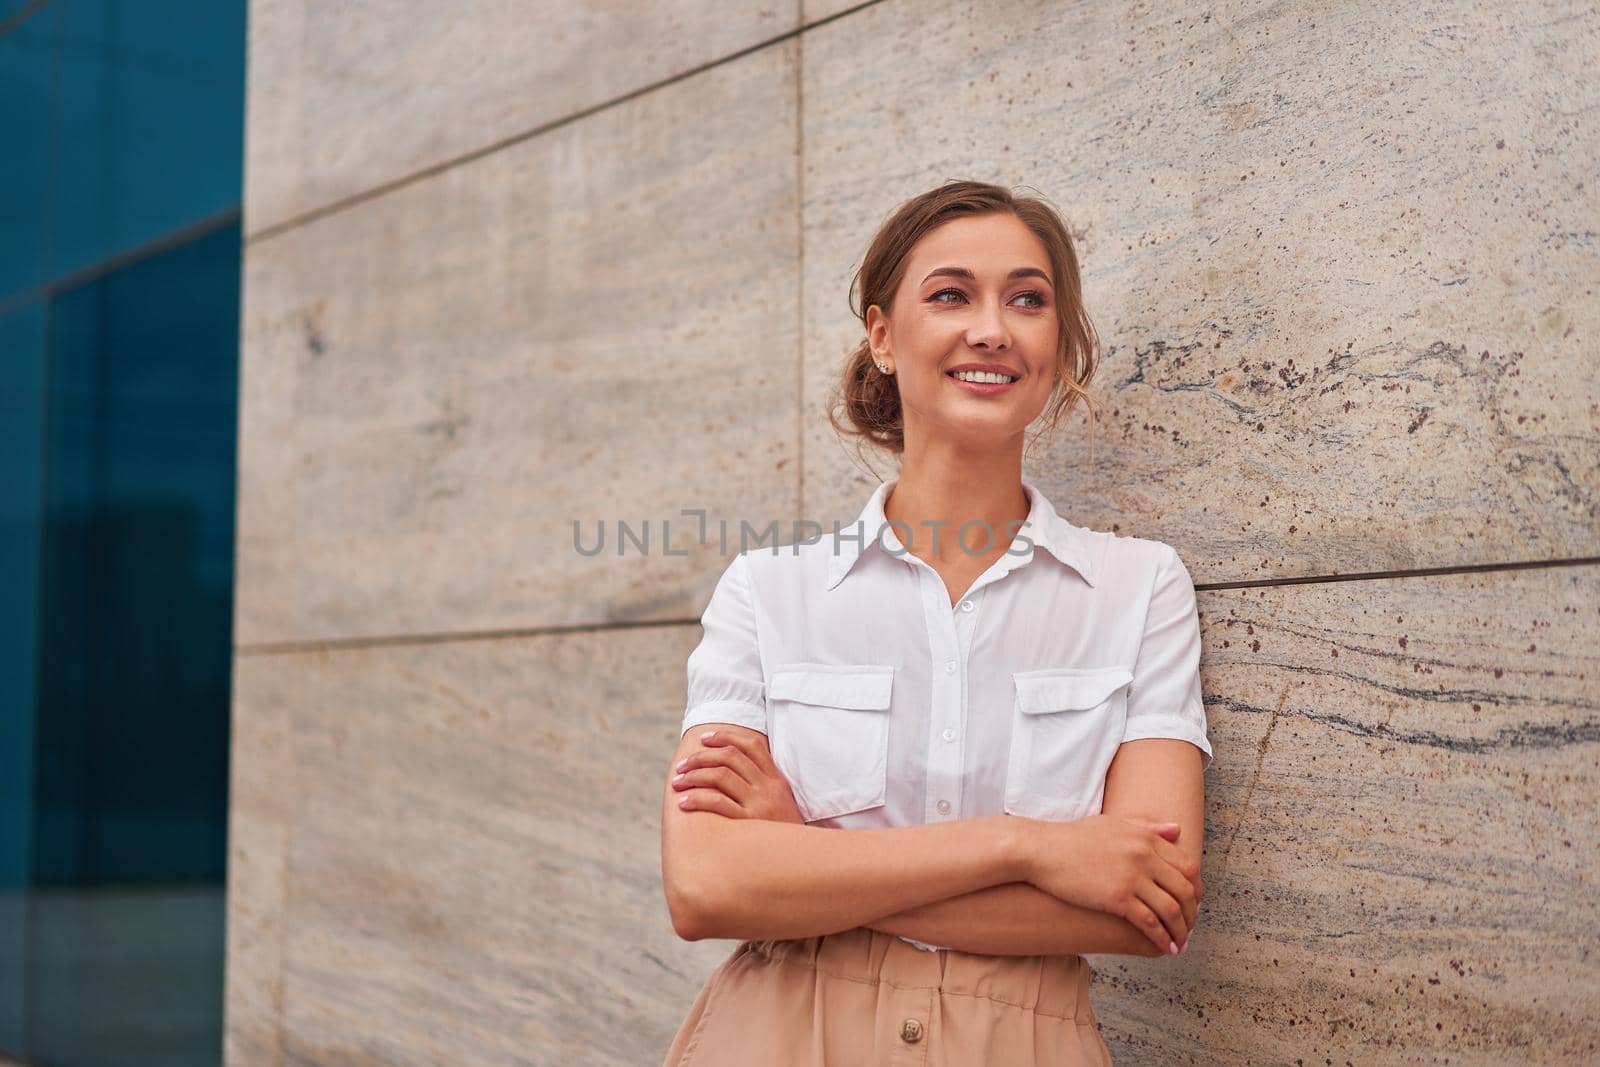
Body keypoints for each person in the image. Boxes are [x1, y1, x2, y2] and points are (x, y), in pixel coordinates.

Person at [658, 179, 1215, 1065]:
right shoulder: (770, 591)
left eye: (1027, 300)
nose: (991, 328)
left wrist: (806, 856)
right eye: (951, 294)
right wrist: (1026, 848)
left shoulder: (1138, 588)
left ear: (1058, 341)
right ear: (882, 335)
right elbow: (706, 884)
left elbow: (1146, 909)